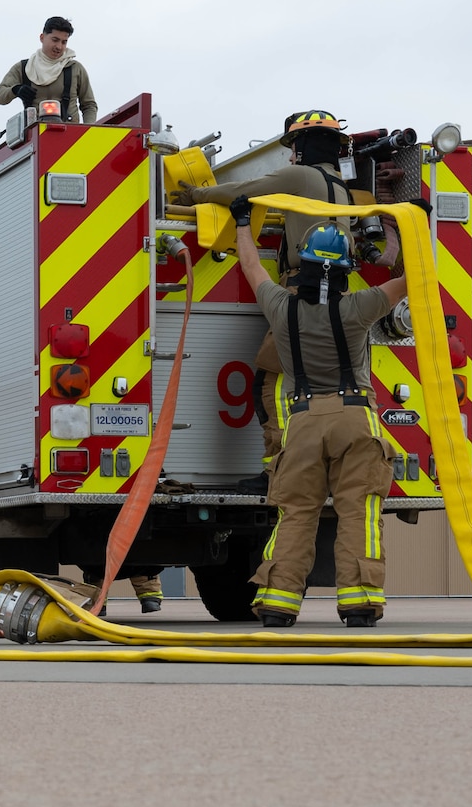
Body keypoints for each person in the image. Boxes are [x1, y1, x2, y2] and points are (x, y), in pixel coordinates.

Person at [223, 212, 409, 627]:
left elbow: (251, 266)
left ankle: (278, 603)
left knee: (295, 514)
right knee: (359, 511)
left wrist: (241, 223)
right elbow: (415, 280)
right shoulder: (360, 306)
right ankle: (360, 603)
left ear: (302, 265)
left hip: (301, 422)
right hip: (355, 418)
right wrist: (413, 228)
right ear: (344, 271)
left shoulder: (280, 307)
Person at [173, 111, 370, 481]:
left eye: (295, 146)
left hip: (302, 291)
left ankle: (278, 470)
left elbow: (241, 191)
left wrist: (197, 195)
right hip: (336, 295)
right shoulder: (340, 187)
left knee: (273, 385)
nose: (292, 155)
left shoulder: (300, 176)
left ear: (305, 146)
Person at [0, 17, 99, 124]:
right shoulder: (24, 68)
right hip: (36, 136)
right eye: (55, 40)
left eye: (64, 42)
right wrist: (16, 89)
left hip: (70, 136)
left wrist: (87, 131)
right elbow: (0, 96)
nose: (59, 46)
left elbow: (89, 105)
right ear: (42, 37)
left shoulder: (75, 68)